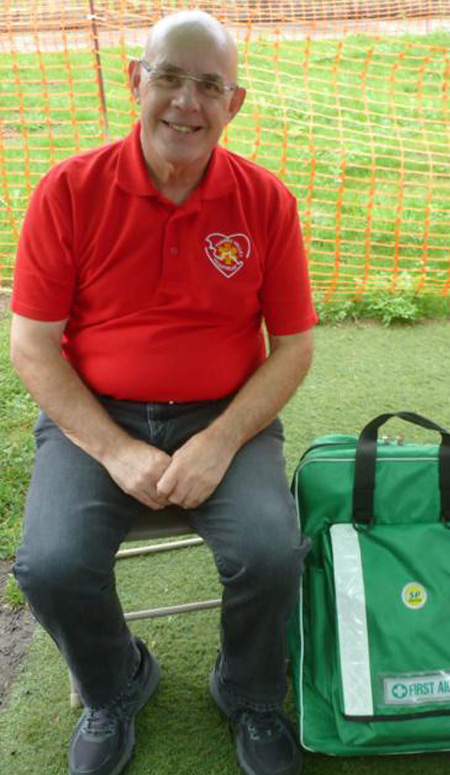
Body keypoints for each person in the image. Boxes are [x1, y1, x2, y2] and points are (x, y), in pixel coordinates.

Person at [9, 11, 315, 775]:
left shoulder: (265, 200)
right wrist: (114, 450)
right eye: (170, 77)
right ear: (136, 81)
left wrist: (220, 439)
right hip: (96, 414)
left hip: (224, 413)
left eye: (209, 86)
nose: (187, 101)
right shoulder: (68, 190)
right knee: (49, 564)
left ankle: (249, 690)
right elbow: (33, 346)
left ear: (233, 104)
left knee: (272, 552)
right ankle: (117, 681)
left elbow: (296, 346)